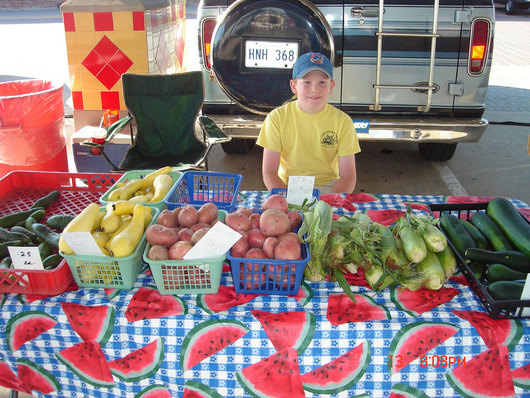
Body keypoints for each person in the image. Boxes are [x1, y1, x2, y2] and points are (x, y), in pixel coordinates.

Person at [256, 52, 361, 193]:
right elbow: (269, 173)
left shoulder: (343, 121)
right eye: (306, 82)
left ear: (331, 86)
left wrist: (332, 202)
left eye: (322, 82)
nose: (314, 89)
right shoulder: (276, 118)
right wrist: (287, 201)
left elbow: (348, 176)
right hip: (287, 186)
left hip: (330, 187)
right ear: (294, 86)